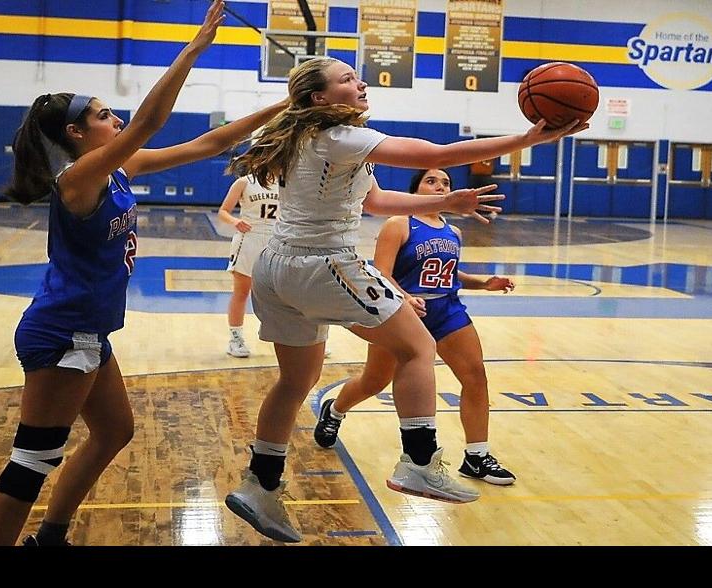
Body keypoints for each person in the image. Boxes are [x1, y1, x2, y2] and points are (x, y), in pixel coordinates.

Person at [223, 56, 587, 543]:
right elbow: (435, 153)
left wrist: (442, 203)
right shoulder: (341, 136)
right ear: (320, 99)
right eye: (347, 79)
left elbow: (373, 202)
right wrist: (525, 140)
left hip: (275, 268)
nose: (361, 82)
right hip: (324, 262)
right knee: (417, 348)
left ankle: (260, 484)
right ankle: (419, 461)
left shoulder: (305, 138)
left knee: (296, 380)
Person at [0, 0, 288, 546]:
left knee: (115, 431)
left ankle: (50, 537)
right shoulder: (78, 178)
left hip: (89, 330)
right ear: (77, 133)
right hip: (62, 332)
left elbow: (210, 143)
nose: (117, 120)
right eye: (104, 115)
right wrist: (194, 49)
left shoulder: (119, 166)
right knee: (33, 459)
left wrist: (284, 104)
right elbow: (151, 120)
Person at [314, 168, 518, 486]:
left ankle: (476, 456)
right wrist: (405, 297)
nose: (440, 187)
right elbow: (380, 273)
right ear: (416, 189)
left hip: (447, 311)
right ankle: (335, 409)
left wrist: (483, 283)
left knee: (475, 376)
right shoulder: (399, 224)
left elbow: (449, 274)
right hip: (401, 314)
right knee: (374, 381)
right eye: (431, 181)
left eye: (446, 183)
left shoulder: (454, 232)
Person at [218, 175, 279, 358]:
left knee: (284, 293)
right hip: (249, 239)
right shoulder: (245, 182)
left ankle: (299, 341)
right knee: (242, 292)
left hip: (277, 239)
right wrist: (235, 222)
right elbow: (223, 211)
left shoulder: (287, 181)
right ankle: (235, 339)